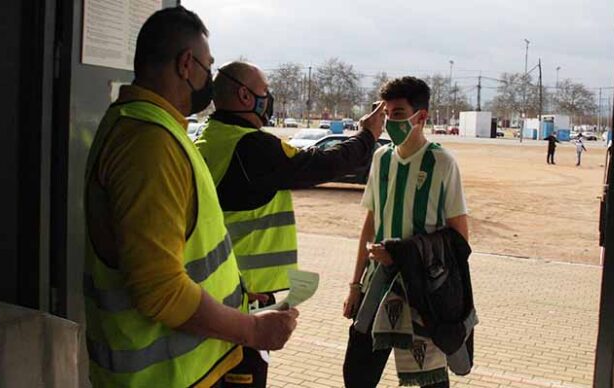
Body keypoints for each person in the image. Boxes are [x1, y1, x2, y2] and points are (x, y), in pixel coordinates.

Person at [83, 7, 298, 387]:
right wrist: (251, 330)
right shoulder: (149, 145)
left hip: (188, 368)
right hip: (165, 377)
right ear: (186, 64)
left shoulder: (153, 128)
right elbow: (159, 291)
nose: (210, 80)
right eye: (208, 67)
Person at [195, 61, 385, 387]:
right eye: (264, 92)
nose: (268, 99)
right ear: (245, 95)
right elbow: (319, 164)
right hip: (244, 297)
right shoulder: (251, 147)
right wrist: (367, 136)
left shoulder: (208, 139)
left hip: (211, 291)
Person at [342, 77, 469, 388]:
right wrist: (355, 285)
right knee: (357, 374)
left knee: (430, 381)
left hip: (424, 290)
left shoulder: (442, 162)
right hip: (377, 284)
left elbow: (460, 241)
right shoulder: (381, 158)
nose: (389, 122)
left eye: (398, 114)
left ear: (421, 117)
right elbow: (370, 224)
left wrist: (403, 252)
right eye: (386, 114)